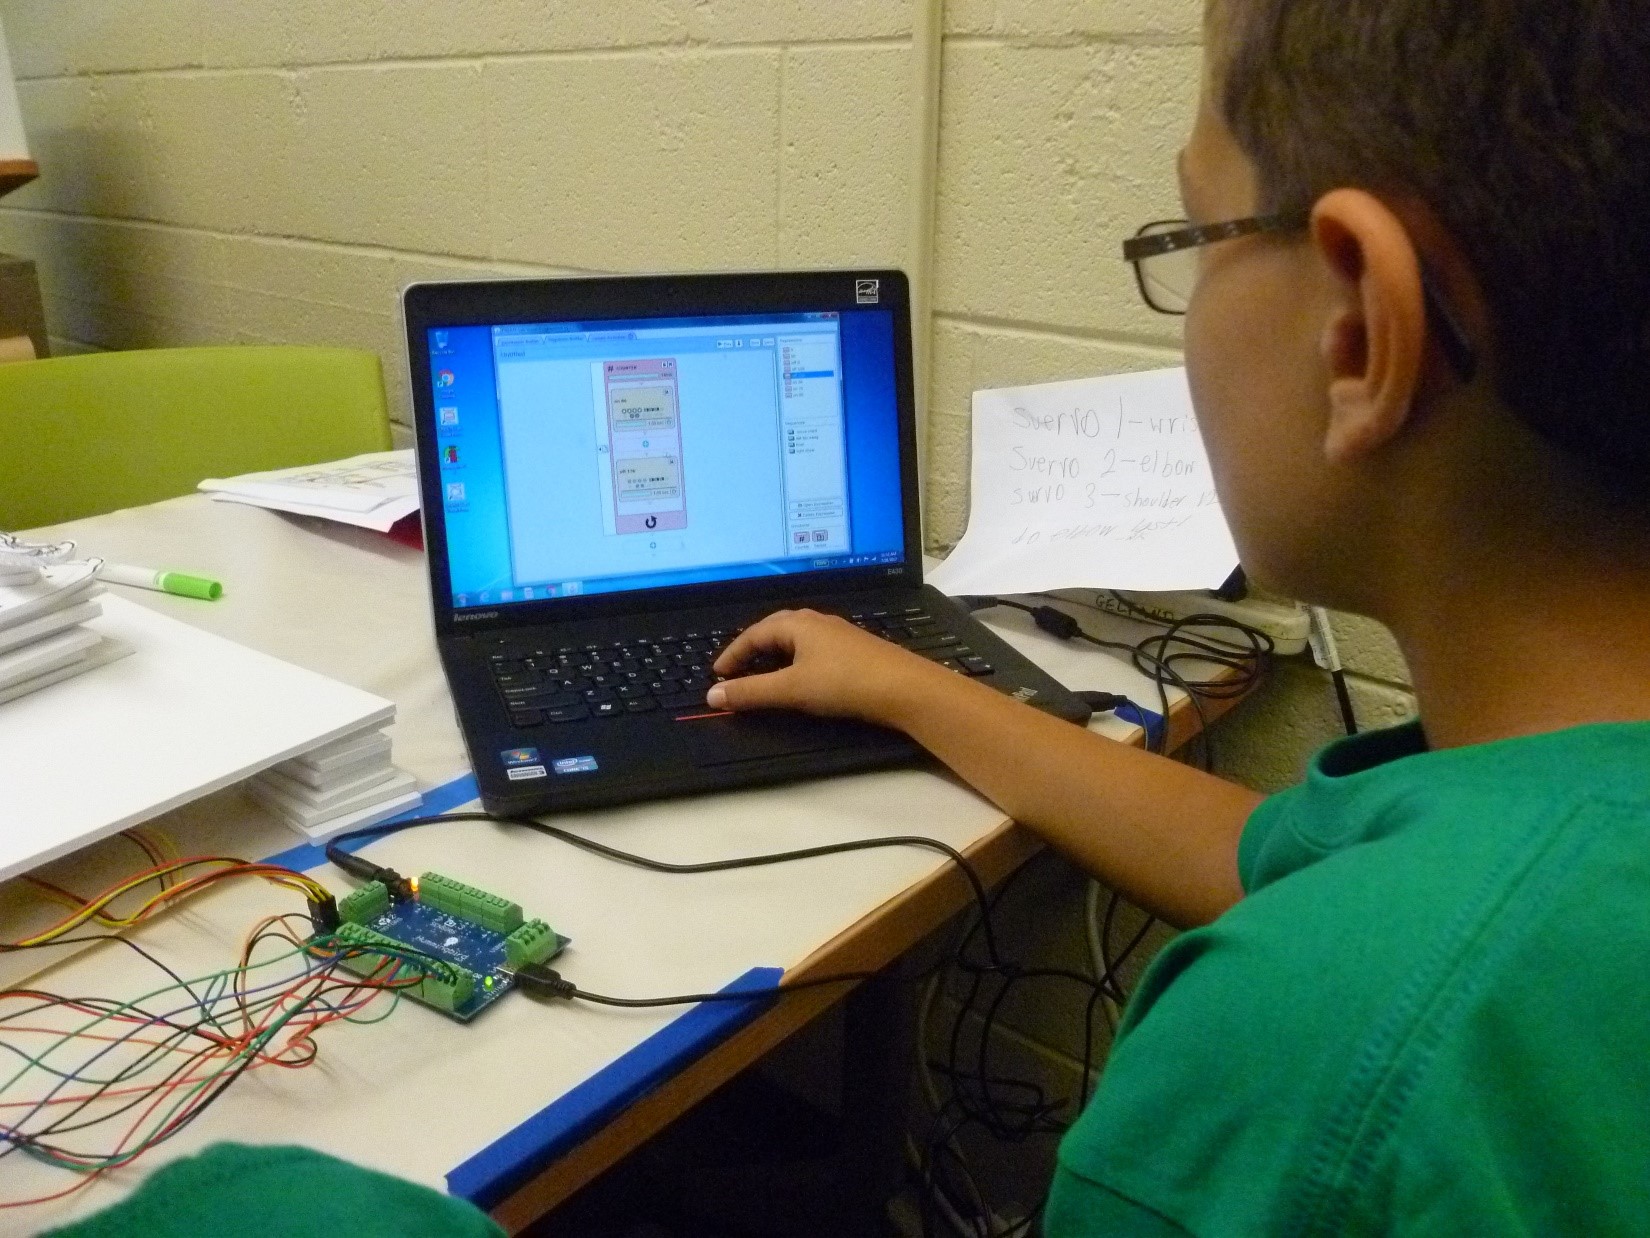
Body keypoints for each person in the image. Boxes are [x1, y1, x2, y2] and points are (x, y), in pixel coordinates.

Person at [705, 0, 1650, 1232]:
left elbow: (1339, 941)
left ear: (1361, 328)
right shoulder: (1533, 823)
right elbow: (1284, 862)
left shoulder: (1303, 1055)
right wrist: (907, 683)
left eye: (1197, 236)